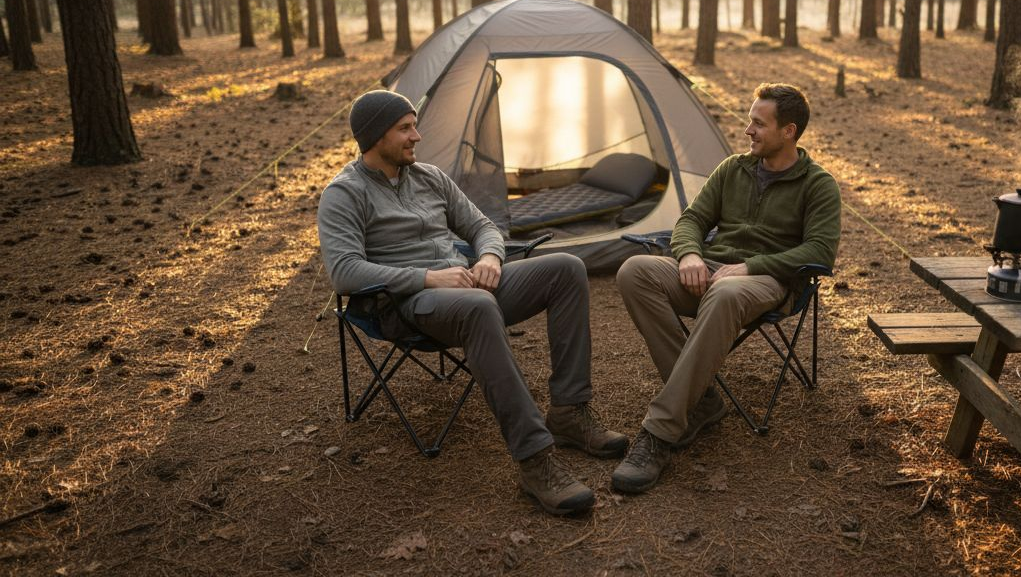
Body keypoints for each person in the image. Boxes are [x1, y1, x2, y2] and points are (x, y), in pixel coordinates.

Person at [317, 90, 627, 516]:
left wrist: (489, 258)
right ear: (375, 137)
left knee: (567, 268)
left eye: (414, 126)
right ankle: (535, 459)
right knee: (478, 306)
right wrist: (429, 277)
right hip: (410, 304)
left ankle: (570, 412)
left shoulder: (429, 177)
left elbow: (483, 226)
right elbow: (345, 272)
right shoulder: (344, 194)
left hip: (466, 284)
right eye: (405, 129)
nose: (417, 136)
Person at [611, 83, 841, 494]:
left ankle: (660, 431)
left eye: (759, 123)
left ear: (788, 131)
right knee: (635, 271)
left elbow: (820, 251)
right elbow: (692, 220)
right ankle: (700, 402)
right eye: (749, 120)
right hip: (711, 270)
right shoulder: (733, 168)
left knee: (725, 293)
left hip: (767, 281)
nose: (748, 130)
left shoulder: (818, 184)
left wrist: (750, 266)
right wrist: (689, 256)